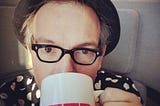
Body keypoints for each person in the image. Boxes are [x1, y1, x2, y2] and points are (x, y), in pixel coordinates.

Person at [0, 0, 143, 106]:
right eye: (48, 49)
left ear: (101, 56)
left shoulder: (122, 89)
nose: (66, 70)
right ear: (30, 50)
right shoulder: (10, 94)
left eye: (84, 50)